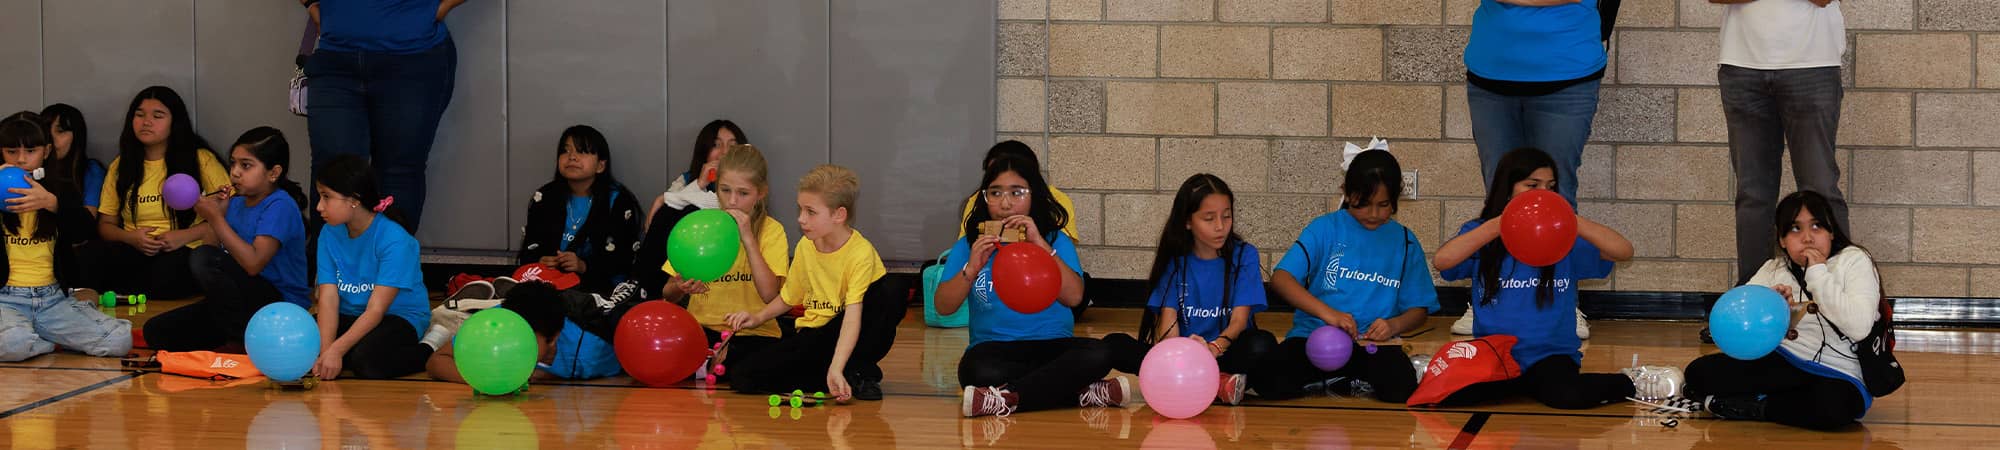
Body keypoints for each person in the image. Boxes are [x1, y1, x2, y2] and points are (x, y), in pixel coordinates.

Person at [1432, 148, 1680, 409]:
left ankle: (1633, 381)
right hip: (1495, 353)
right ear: (1507, 188)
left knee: (1565, 395)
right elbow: (1443, 261)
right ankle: (1508, 381)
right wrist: (1499, 224)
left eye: (1550, 187)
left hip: (1550, 355)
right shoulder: (1482, 233)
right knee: (1453, 396)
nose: (1542, 193)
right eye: (1532, 185)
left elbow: (1623, 251)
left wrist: (1568, 218)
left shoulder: (1564, 236)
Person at [1459, 0, 1617, 339]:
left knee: (1556, 194)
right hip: (1490, 75)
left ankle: (1561, 299)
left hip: (1569, 74)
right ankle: (1489, 296)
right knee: (1500, 193)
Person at [944, 154, 1126, 418]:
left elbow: (1075, 297)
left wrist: (1041, 245)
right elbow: (943, 306)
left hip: (1053, 346)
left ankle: (1009, 399)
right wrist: (971, 269)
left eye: (1017, 193)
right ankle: (1077, 392)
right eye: (995, 193)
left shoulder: (1055, 239)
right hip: (994, 349)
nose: (1005, 204)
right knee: (975, 372)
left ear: (1034, 195)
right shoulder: (971, 243)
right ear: (984, 198)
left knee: (1098, 354)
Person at [1248, 150, 1434, 403]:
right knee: (1269, 381)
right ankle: (1337, 379)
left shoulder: (1405, 241)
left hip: (1370, 344)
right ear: (1346, 192)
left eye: (1383, 205)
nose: (1374, 214)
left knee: (1400, 388)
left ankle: (1337, 379)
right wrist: (1329, 314)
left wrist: (1394, 326)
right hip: (1311, 338)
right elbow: (1281, 279)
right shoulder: (1325, 228)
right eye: (1364, 203)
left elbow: (1419, 310)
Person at [1712, 0, 1849, 342]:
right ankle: (1751, 308)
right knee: (1753, 195)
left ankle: (1842, 307)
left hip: (1812, 66)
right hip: (1742, 67)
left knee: (1820, 190)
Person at [1683, 190, 1876, 430]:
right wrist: (1770, 310)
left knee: (1835, 409)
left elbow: (1859, 327)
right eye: (1795, 229)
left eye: (1817, 226)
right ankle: (1773, 401)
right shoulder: (1772, 269)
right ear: (1782, 240)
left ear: (1831, 232)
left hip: (1837, 370)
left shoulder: (1854, 260)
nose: (1807, 238)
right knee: (1698, 374)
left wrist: (1817, 272)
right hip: (1784, 363)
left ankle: (1757, 406)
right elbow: (1740, 331)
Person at [723, 165, 905, 402]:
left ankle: (849, 369)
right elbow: (789, 296)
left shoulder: (860, 253)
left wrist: (836, 366)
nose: (801, 219)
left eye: (810, 212)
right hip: (814, 336)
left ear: (838, 215)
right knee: (743, 377)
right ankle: (843, 374)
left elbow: (852, 317)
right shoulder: (806, 246)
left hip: (849, 330)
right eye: (800, 209)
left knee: (891, 289)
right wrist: (757, 318)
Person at [1101, 173, 1272, 405]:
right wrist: (1183, 352)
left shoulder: (1244, 255)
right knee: (1114, 343)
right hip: (1181, 359)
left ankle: (1212, 378)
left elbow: (1239, 321)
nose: (1220, 226)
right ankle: (1220, 384)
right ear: (1188, 221)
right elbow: (1168, 329)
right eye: (1209, 218)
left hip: (1224, 352)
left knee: (1262, 344)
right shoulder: (1175, 261)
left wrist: (1212, 348)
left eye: (1227, 216)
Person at [302, 0, 466, 231]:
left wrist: (435, 10)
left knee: (398, 171)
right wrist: (313, 7)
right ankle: (334, 266)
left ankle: (390, 265)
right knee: (334, 171)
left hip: (414, 57)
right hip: (335, 61)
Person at [143, 127, 311, 352]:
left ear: (273, 173)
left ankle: (239, 339)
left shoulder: (280, 205)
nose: (235, 173)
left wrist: (215, 218)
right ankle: (234, 334)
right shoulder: (236, 203)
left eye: (246, 165)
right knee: (157, 331)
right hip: (239, 302)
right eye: (233, 163)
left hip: (277, 304)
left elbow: (253, 264)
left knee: (204, 258)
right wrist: (218, 216)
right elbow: (212, 254)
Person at [0, 111, 130, 361]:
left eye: (31, 151)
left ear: (46, 152)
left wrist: (53, 204)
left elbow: (85, 231)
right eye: (11, 151)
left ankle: (37, 336)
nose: (21, 159)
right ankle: (41, 340)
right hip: (6, 299)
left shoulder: (58, 192)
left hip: (51, 300)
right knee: (13, 343)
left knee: (118, 339)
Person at [81, 86, 229, 300]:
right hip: (134, 249)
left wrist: (183, 236)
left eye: (157, 116)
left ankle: (132, 292)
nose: (146, 122)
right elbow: (106, 226)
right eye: (139, 115)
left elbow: (227, 214)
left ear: (174, 122)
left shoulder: (200, 159)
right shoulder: (121, 165)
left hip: (183, 249)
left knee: (171, 273)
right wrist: (131, 238)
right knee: (87, 257)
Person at [659, 144, 790, 383]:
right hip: (701, 332)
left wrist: (748, 238)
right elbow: (668, 293)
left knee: (751, 371)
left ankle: (708, 365)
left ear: (761, 193)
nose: (732, 201)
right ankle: (707, 362)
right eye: (725, 190)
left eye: (743, 193)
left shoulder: (772, 231)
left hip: (754, 333)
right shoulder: (700, 226)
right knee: (662, 355)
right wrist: (681, 287)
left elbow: (770, 294)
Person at [310, 155, 435, 380]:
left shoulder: (394, 239)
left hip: (397, 316)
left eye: (326, 197)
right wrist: (324, 352)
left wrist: (337, 350)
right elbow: (328, 299)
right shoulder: (329, 233)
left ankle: (431, 345)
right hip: (349, 314)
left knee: (367, 362)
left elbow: (376, 309)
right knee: (301, 343)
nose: (319, 206)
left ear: (354, 200)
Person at [517, 125, 641, 294]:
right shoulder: (545, 197)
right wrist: (541, 260)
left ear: (600, 166)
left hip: (599, 288)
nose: (572, 157)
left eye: (582, 152)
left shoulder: (618, 201)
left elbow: (623, 259)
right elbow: (529, 248)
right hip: (551, 284)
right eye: (566, 151)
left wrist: (583, 266)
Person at [427, 280, 625, 383]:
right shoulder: (496, 323)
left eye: (527, 340)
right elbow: (436, 361)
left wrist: (553, 377)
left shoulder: (591, 352)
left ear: (553, 339)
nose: (515, 343)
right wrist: (483, 379)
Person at [38, 104, 104, 218]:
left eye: (60, 131)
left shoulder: (90, 170)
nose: (52, 138)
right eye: (46, 131)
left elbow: (88, 219)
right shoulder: (28, 166)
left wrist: (55, 205)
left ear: (76, 136)